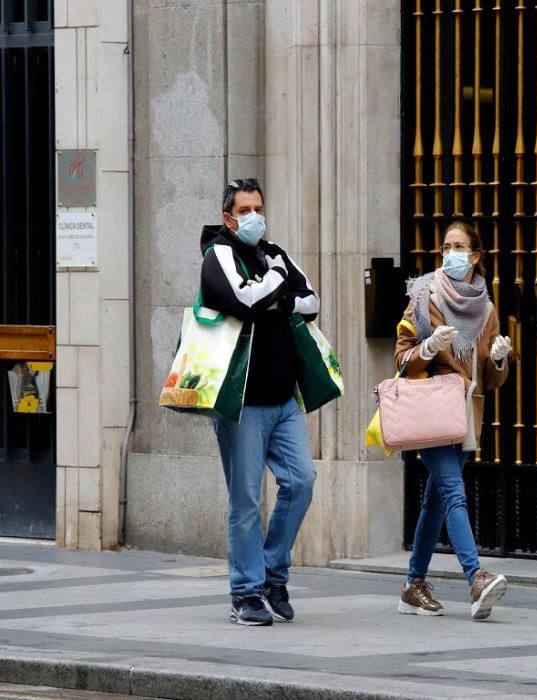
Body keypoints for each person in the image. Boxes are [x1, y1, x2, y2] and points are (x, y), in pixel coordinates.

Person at [200, 178, 320, 626]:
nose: (254, 217)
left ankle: (273, 571)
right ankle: (245, 593)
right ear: (229, 216)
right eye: (244, 210)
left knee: (302, 481)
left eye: (258, 208)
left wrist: (275, 296)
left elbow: (311, 301)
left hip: (285, 398)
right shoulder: (219, 254)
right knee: (246, 500)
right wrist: (274, 283)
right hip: (243, 401)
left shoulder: (276, 251)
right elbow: (241, 301)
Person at [394, 221, 512, 621]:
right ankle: (475, 576)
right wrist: (429, 346)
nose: (450, 255)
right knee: (453, 490)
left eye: (459, 248)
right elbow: (402, 356)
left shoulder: (487, 308)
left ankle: (413, 585)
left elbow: (491, 380)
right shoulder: (424, 294)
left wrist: (498, 358)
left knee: (436, 500)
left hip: (465, 413)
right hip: (432, 408)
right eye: (446, 247)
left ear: (476, 256)